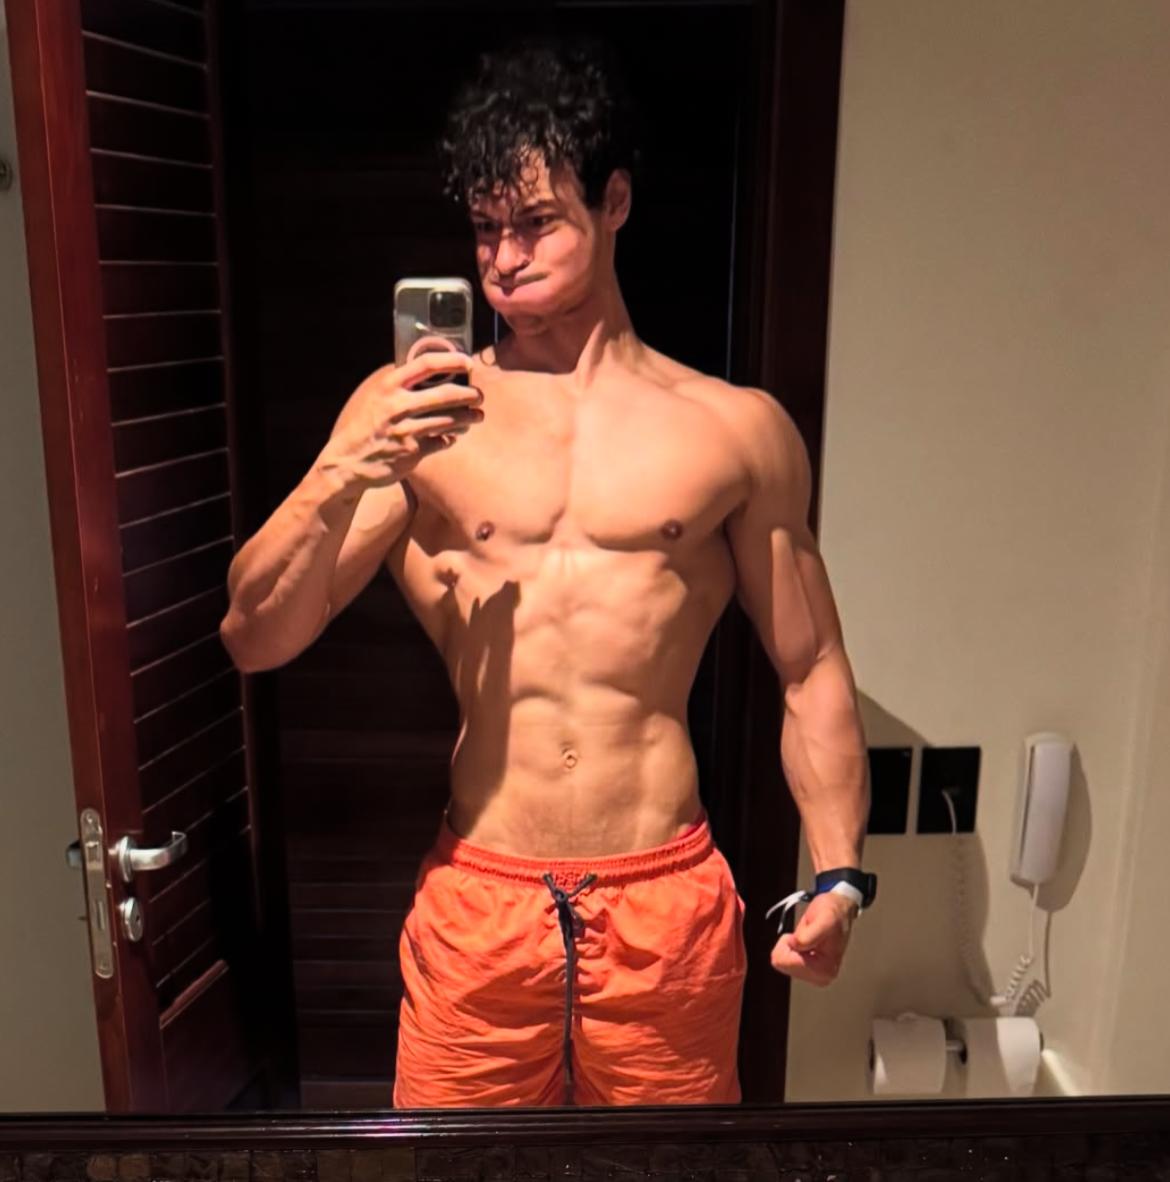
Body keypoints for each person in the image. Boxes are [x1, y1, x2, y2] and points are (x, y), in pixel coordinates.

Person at [220, 38, 871, 1108]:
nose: (505, 258)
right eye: (486, 229)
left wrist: (839, 875)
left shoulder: (732, 431)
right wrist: (344, 463)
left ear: (615, 202)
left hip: (664, 902)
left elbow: (811, 667)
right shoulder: (417, 424)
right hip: (483, 901)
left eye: (535, 222)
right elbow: (256, 636)